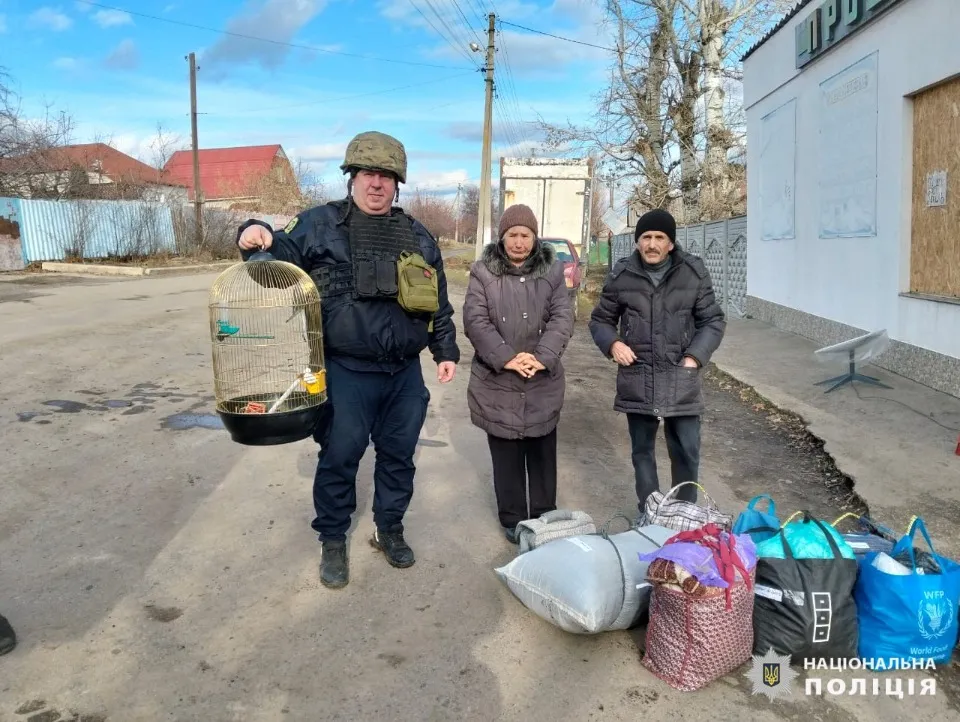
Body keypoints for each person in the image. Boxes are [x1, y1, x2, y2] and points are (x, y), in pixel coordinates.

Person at [236, 131, 460, 589]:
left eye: (385, 175)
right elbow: (274, 260)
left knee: (398, 457)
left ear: (397, 183)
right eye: (367, 173)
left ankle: (388, 528)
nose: (375, 183)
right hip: (345, 372)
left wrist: (445, 349)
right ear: (352, 177)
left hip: (402, 374)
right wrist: (252, 236)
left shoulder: (418, 235)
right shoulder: (318, 225)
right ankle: (333, 537)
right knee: (340, 455)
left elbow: (437, 299)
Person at [588, 208, 725, 518]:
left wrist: (694, 357)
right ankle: (649, 514)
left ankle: (684, 516)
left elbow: (712, 321)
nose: (651, 244)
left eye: (659, 238)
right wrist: (613, 343)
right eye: (646, 237)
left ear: (671, 243)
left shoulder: (693, 272)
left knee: (686, 452)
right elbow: (600, 321)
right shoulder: (622, 275)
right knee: (642, 453)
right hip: (638, 376)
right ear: (638, 242)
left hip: (681, 377)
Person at [462, 204, 574, 543]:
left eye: (526, 235)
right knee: (506, 452)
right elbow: (475, 320)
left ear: (535, 237)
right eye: (513, 235)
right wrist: (507, 358)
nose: (519, 242)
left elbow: (562, 317)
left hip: (542, 377)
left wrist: (543, 356)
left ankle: (544, 514)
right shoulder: (483, 272)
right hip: (498, 379)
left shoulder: (552, 272)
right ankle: (512, 517)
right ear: (502, 237)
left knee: (542, 449)